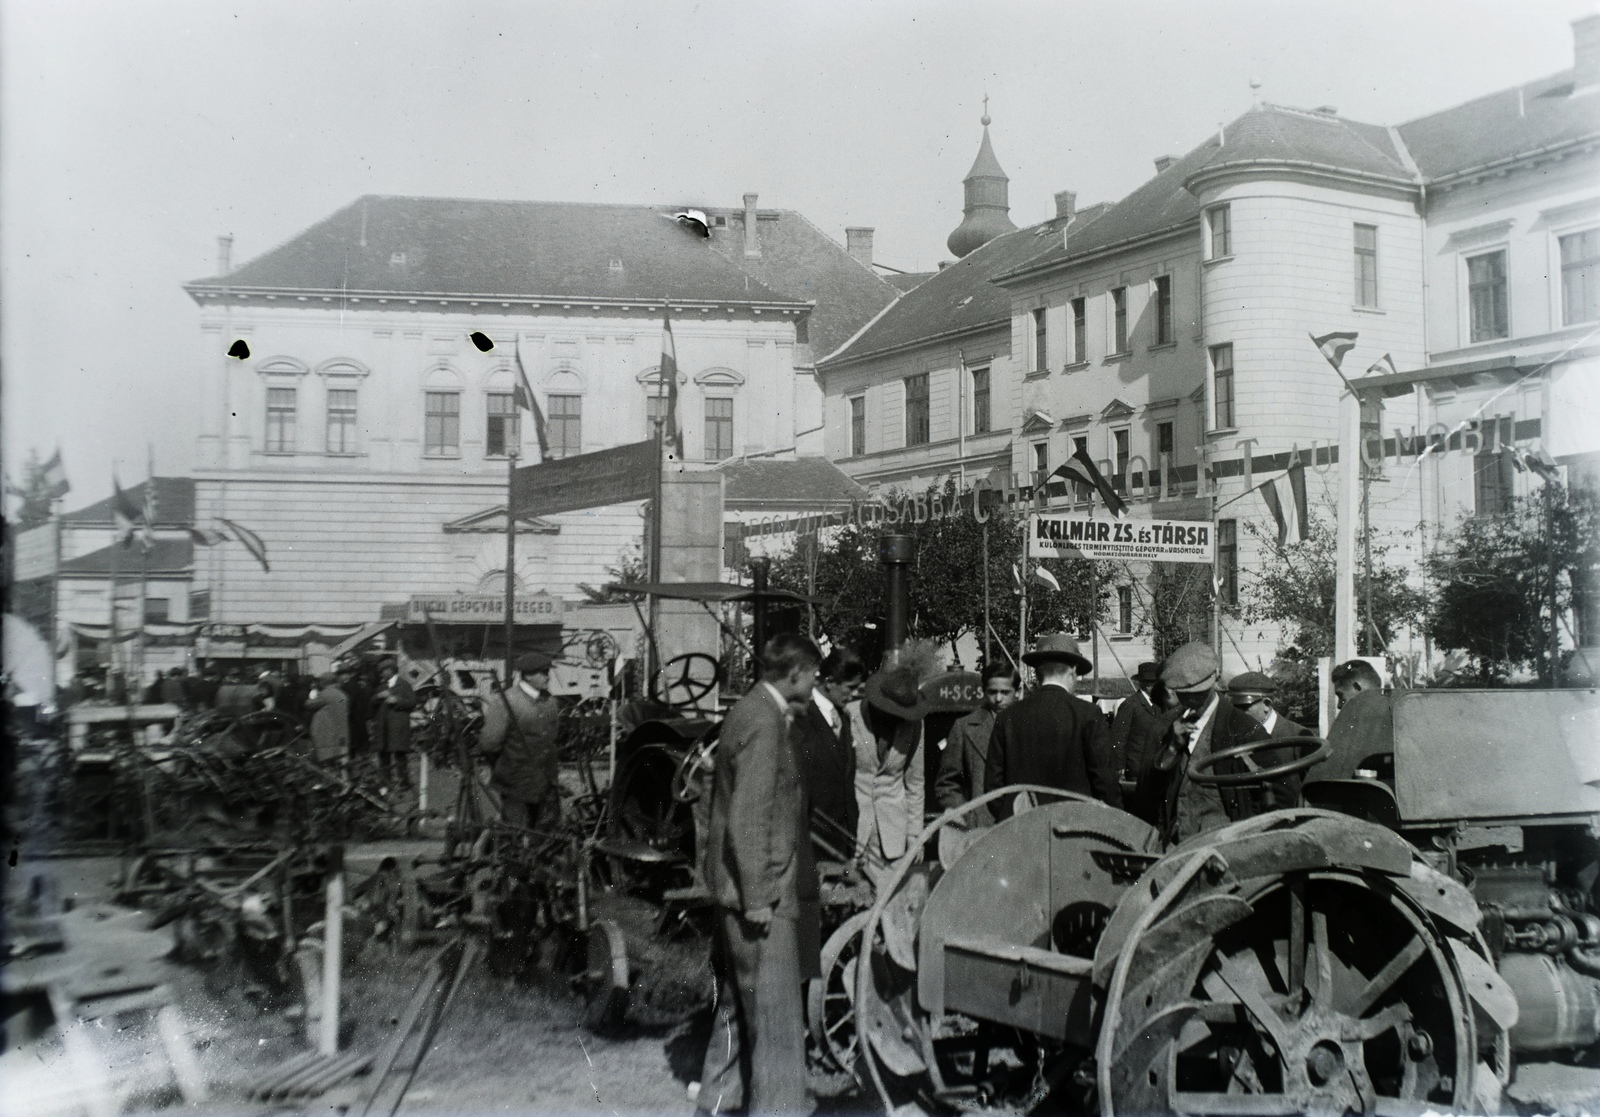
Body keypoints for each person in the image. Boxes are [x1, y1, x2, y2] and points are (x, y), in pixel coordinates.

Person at [697, 633, 822, 1117]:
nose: (815, 683)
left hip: (738, 889)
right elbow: (749, 817)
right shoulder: (767, 723)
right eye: (812, 674)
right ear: (794, 673)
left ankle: (717, 1103)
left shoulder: (749, 710)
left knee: (735, 1005)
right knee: (775, 1021)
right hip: (759, 895)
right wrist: (758, 897)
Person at [1135, 642, 1293, 842]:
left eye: (1198, 695)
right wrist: (1172, 749)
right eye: (1185, 695)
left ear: (1213, 684)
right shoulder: (1165, 727)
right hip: (1176, 847)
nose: (1191, 702)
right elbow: (1147, 794)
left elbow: (1280, 794)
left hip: (1226, 849)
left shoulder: (1242, 728)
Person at [985, 633, 1121, 821]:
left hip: (1020, 831)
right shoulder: (1089, 714)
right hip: (1075, 831)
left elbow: (993, 787)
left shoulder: (1007, 717)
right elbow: (1105, 784)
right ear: (1073, 671)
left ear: (1037, 673)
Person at [851, 660, 929, 886]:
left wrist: (915, 835)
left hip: (893, 831)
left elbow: (915, 782)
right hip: (854, 828)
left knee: (890, 901)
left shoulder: (914, 725)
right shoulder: (850, 715)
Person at [478, 651, 562, 830]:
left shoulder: (550, 702)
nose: (548, 677)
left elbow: (551, 741)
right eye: (543, 673)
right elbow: (489, 744)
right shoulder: (506, 702)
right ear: (528, 676)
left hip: (546, 783)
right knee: (514, 838)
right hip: (516, 784)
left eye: (547, 672)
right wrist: (506, 767)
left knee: (548, 840)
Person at [793, 647, 863, 858]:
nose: (853, 695)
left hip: (844, 838)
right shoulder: (802, 716)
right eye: (850, 688)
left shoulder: (843, 717)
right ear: (830, 682)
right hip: (813, 841)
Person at [934, 660, 1018, 813]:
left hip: (1020, 823)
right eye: (992, 692)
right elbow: (946, 783)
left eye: (1005, 692)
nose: (998, 699)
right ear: (984, 691)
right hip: (981, 827)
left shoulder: (1026, 726)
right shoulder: (964, 727)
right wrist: (967, 813)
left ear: (1017, 692)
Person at [1110, 660, 1177, 786]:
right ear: (1147, 685)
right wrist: (1120, 767)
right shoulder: (1131, 705)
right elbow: (1118, 738)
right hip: (1136, 769)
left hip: (1155, 766)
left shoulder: (1159, 705)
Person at [372, 658, 416, 791]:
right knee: (383, 755)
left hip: (397, 727)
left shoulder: (404, 685)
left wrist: (397, 700)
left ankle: (403, 782)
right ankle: (386, 782)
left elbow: (412, 703)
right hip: (383, 727)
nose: (382, 674)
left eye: (384, 671)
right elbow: (372, 703)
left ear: (391, 670)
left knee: (399, 755)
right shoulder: (381, 687)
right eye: (381, 671)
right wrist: (378, 697)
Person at [1227, 671, 1313, 738]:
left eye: (1244, 707)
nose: (1237, 713)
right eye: (1234, 707)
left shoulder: (1299, 737)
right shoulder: (1231, 736)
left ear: (1267, 704)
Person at [304, 673, 351, 767]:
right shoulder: (343, 694)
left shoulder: (325, 694)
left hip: (325, 733)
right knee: (339, 762)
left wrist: (313, 694)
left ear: (323, 682)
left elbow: (308, 704)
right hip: (340, 733)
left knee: (325, 764)